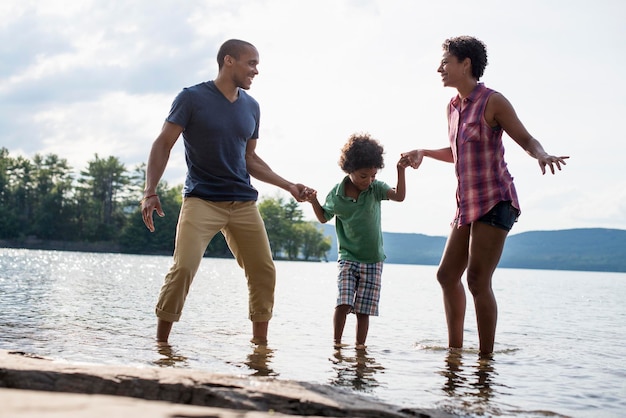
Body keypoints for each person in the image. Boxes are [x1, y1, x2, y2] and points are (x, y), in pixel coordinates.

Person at [402, 36, 569, 356]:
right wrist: (423, 151)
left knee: (477, 280)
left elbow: (526, 139)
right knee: (447, 275)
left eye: (445, 62)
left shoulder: (493, 101)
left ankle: (485, 360)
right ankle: (454, 352)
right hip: (466, 204)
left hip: (496, 200)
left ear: (466, 64)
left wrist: (542, 154)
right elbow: (457, 152)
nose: (439, 68)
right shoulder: (452, 107)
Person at [140, 39, 311, 345]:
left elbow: (250, 159)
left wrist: (289, 186)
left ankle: (260, 349)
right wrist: (150, 190)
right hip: (201, 200)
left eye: (257, 64)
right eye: (251, 63)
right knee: (184, 268)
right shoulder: (191, 98)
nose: (256, 71)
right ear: (228, 61)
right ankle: (161, 346)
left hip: (243, 204)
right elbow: (163, 143)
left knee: (263, 271)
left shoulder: (252, 107)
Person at [305, 133, 409, 350]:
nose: (368, 181)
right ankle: (336, 345)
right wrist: (314, 200)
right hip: (348, 258)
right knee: (343, 302)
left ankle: (360, 349)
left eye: (372, 175)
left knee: (364, 311)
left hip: (373, 261)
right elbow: (323, 217)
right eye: (363, 176)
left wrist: (400, 171)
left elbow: (399, 196)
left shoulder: (376, 189)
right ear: (349, 170)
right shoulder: (337, 195)